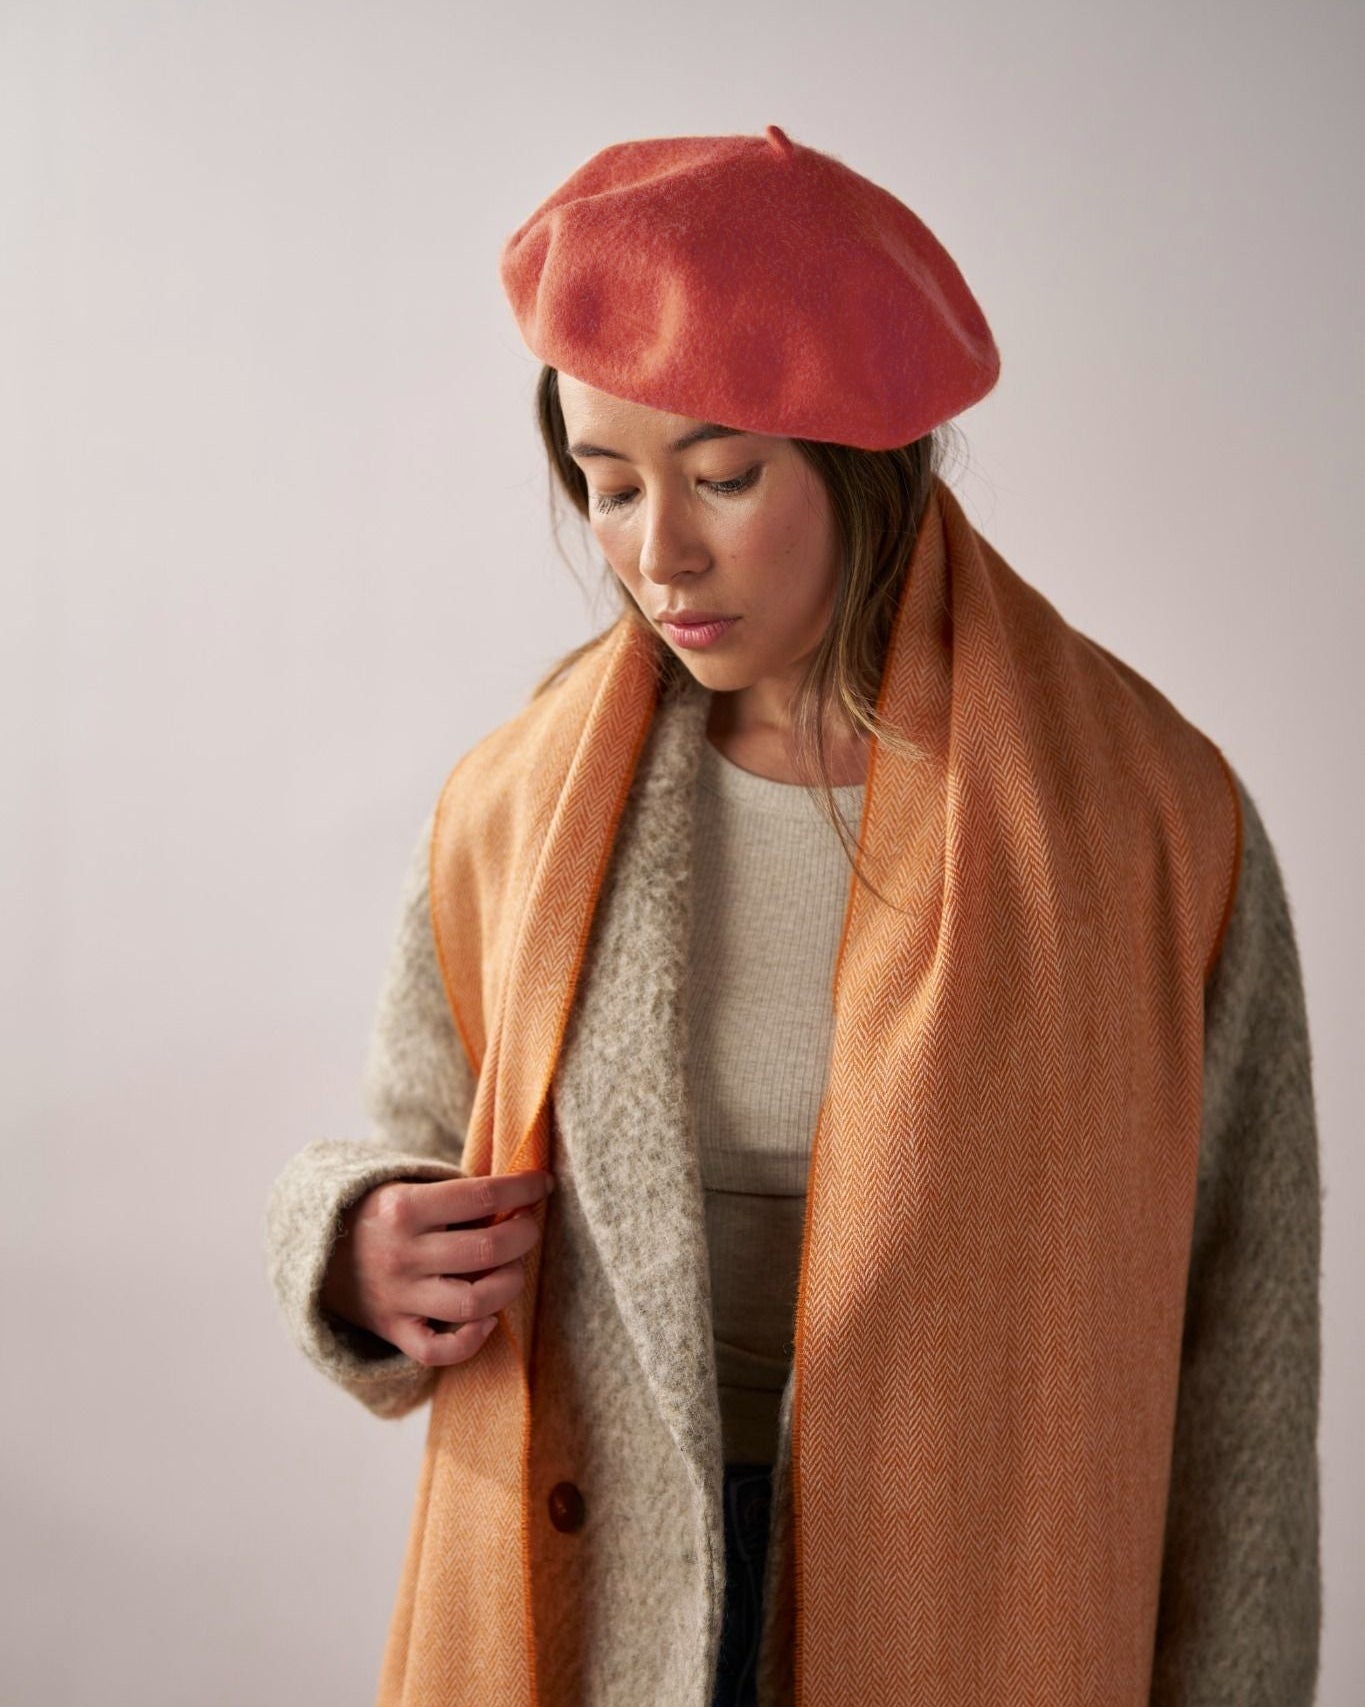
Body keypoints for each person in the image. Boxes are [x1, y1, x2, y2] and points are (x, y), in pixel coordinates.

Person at [264, 126, 1322, 1707]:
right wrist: (349, 1247)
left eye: (721, 476)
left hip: (979, 1603)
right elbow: (414, 1136)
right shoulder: (518, 805)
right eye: (606, 487)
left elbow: (1243, 1350)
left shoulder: (1152, 826)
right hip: (598, 1595)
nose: (656, 554)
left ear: (861, 456)